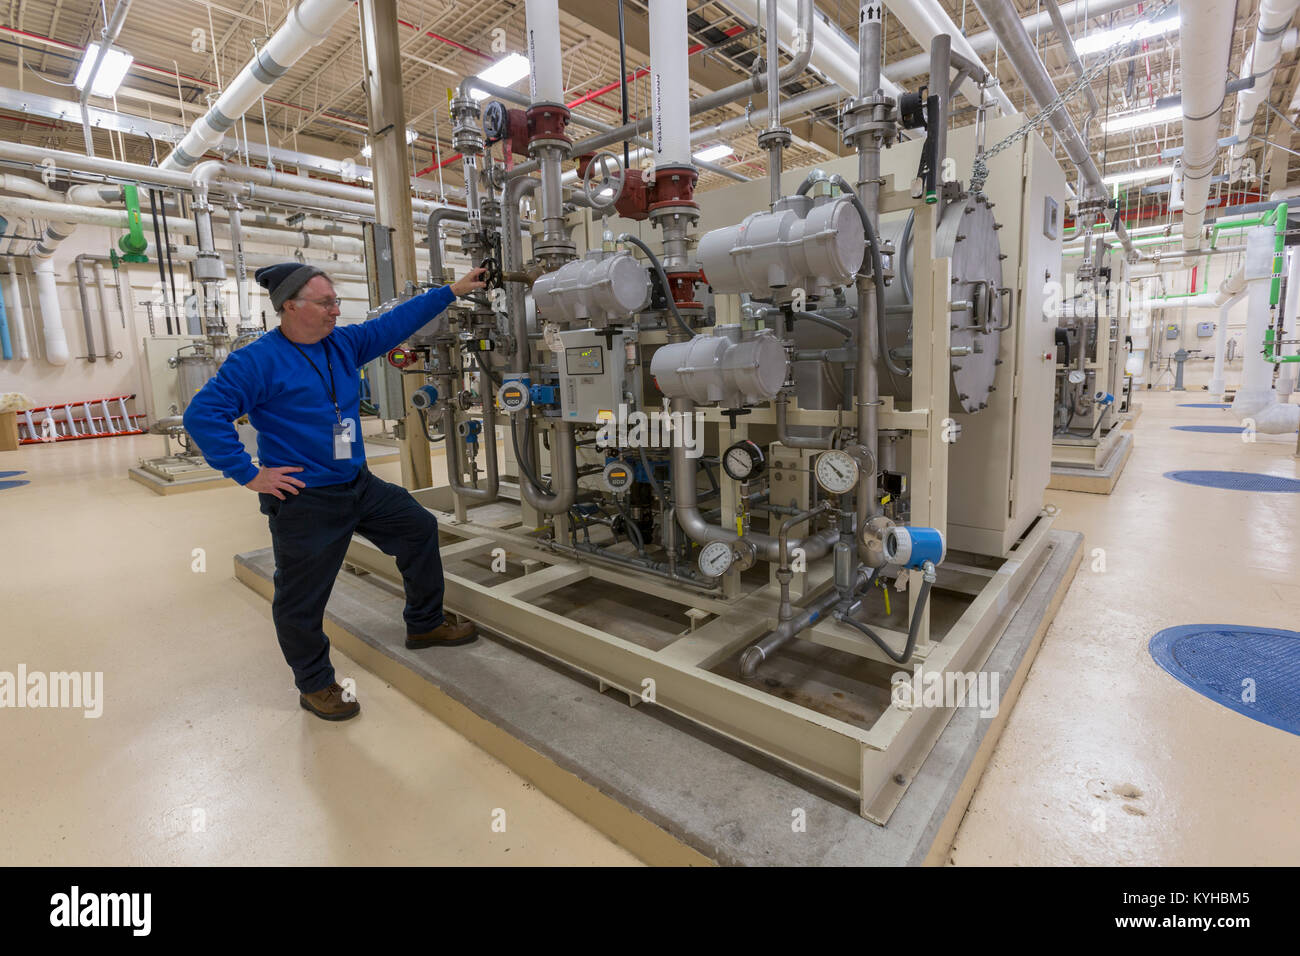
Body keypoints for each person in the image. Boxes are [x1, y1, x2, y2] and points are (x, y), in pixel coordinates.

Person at [183, 262, 488, 721]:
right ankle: (315, 683)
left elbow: (392, 324)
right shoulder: (256, 361)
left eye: (336, 301)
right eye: (326, 303)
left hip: (357, 483)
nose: (335, 311)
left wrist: (450, 291)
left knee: (418, 527)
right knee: (302, 598)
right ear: (290, 306)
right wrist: (248, 473)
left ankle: (424, 625)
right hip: (305, 498)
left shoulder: (342, 344)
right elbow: (203, 416)